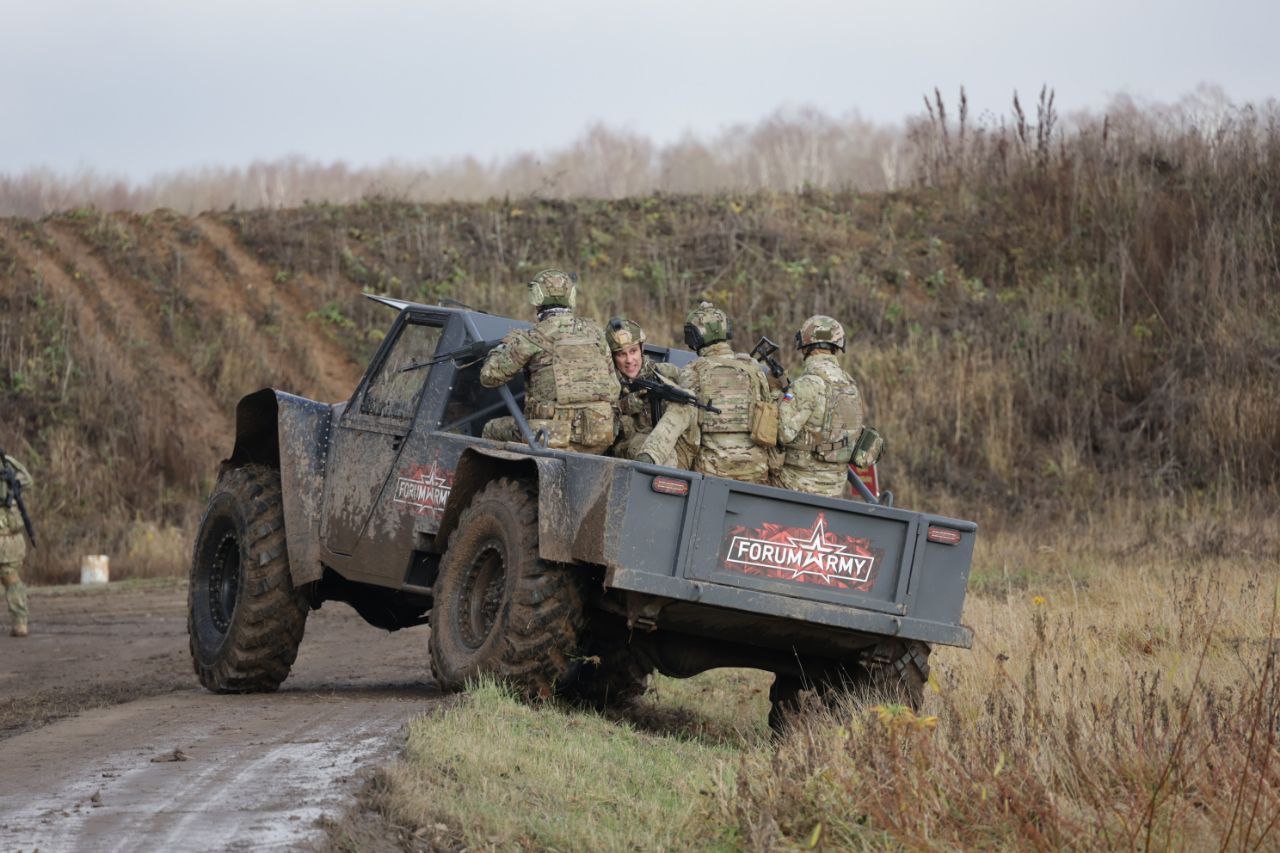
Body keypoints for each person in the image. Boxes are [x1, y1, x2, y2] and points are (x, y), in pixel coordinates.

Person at [480, 269, 620, 454]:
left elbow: (489, 376)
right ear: (571, 296)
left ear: (536, 297)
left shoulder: (533, 337)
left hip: (550, 437)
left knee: (491, 429)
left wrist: (503, 348)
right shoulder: (596, 333)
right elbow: (614, 388)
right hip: (599, 436)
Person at [637, 302, 776, 483]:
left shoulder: (694, 370)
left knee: (681, 406)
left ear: (693, 337)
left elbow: (687, 399)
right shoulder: (753, 369)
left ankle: (648, 457)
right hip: (756, 470)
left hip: (713, 469)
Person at [772, 315, 867, 498]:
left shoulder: (807, 384)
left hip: (798, 484)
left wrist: (776, 397)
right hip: (836, 487)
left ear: (805, 344)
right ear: (837, 345)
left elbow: (783, 433)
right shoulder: (851, 386)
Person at [605, 317, 685, 462]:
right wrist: (622, 406)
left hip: (672, 445)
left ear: (642, 348)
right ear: (612, 357)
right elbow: (597, 424)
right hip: (631, 449)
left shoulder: (666, 374)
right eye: (622, 354)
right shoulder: (608, 384)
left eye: (633, 351)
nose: (629, 360)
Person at [0, 451, 33, 638]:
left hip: (7, 535)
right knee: (11, 579)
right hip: (10, 538)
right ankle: (20, 623)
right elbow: (28, 480)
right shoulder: (7, 465)